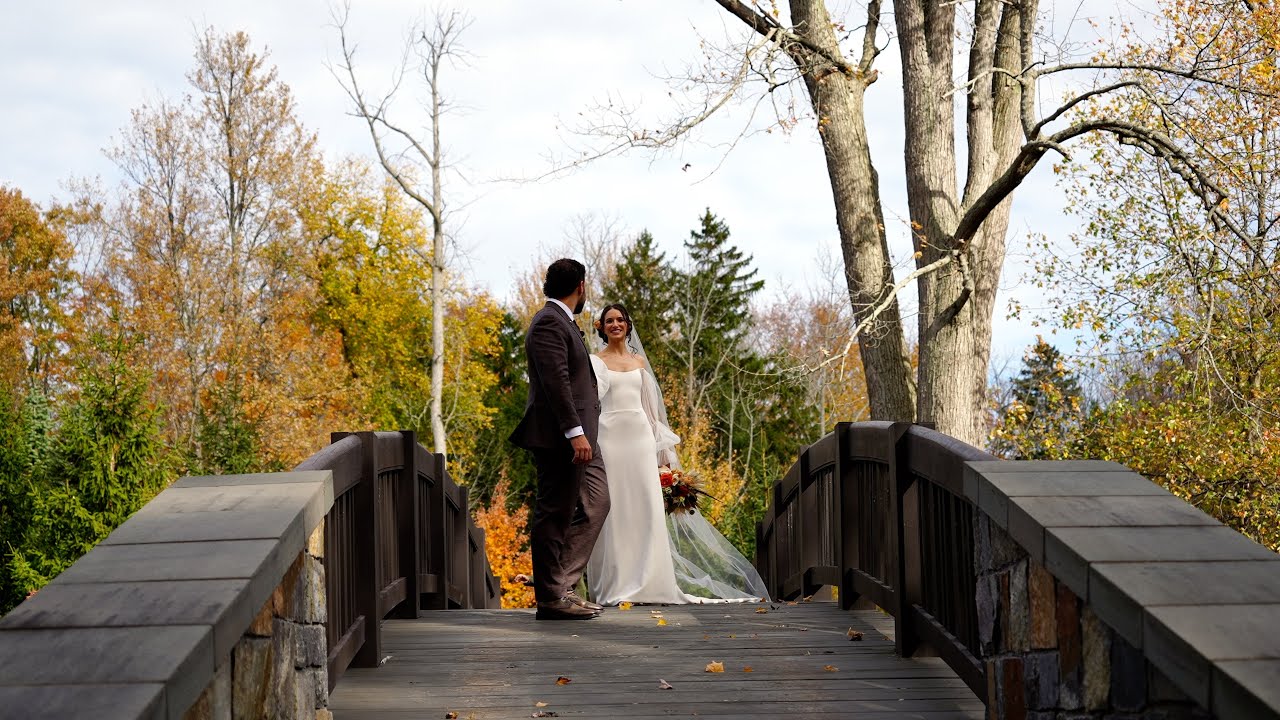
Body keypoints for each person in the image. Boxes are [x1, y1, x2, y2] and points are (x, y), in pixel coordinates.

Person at [584, 303, 769, 605]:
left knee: (645, 507)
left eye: (620, 320)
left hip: (640, 438)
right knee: (615, 509)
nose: (615, 324)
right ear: (601, 328)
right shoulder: (594, 361)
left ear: (628, 325)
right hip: (609, 438)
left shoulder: (639, 361)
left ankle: (650, 582)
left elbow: (653, 410)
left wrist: (665, 453)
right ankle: (616, 585)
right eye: (609, 321)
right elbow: (591, 403)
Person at [509, 259, 611, 620]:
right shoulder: (549, 323)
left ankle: (561, 586)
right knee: (555, 513)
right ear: (581, 286)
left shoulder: (564, 322)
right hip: (563, 438)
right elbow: (556, 383)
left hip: (584, 437)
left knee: (597, 503)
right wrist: (575, 433)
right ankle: (551, 598)